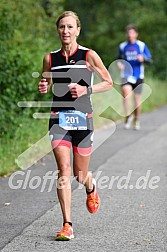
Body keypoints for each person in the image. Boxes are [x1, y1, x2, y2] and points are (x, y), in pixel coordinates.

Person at [38, 11, 113, 241]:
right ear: (57, 30)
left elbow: (109, 82)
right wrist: (42, 85)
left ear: (78, 30)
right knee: (64, 170)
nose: (66, 31)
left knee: (80, 174)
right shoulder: (50, 59)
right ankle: (67, 224)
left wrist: (85, 90)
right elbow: (45, 81)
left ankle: (90, 187)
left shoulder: (89, 55)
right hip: (58, 118)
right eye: (62, 27)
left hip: (82, 119)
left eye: (70, 27)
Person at [118, 24, 152, 130]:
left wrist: (143, 59)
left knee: (137, 100)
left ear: (136, 34)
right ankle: (128, 116)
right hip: (126, 75)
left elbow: (150, 60)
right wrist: (120, 64)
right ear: (126, 34)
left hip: (138, 76)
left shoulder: (141, 45)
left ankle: (136, 119)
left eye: (132, 33)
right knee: (126, 94)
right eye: (128, 33)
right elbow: (119, 58)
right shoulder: (122, 46)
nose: (130, 35)